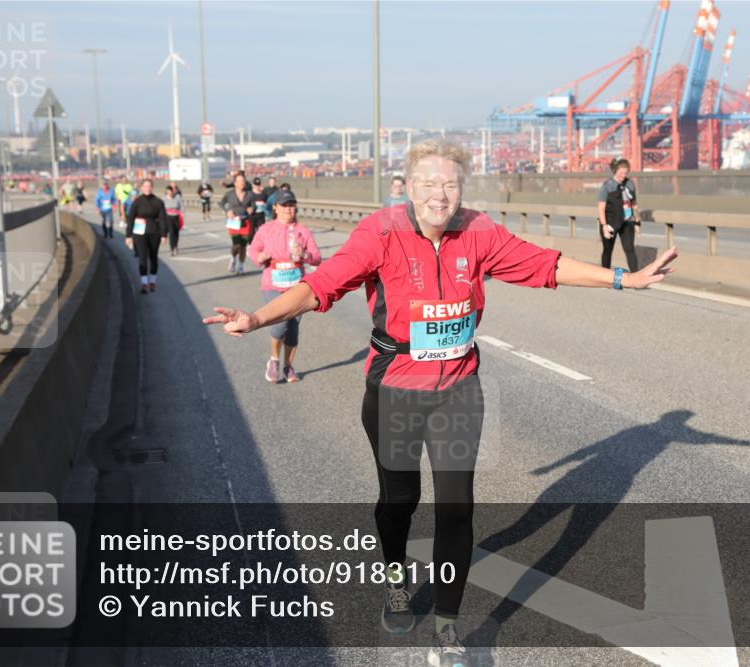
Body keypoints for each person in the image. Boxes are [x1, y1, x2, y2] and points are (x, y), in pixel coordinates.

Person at [203, 140, 678, 665]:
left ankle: (449, 627)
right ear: (408, 185)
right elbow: (320, 287)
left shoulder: (478, 230)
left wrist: (622, 277)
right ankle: (395, 577)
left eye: (450, 183)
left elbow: (543, 264)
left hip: (458, 388)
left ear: (462, 188)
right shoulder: (381, 232)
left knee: (457, 508)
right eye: (429, 183)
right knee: (399, 502)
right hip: (395, 388)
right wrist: (256, 318)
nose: (440, 194)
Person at [248, 190, 322, 383]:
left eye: (291, 205)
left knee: (293, 328)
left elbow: (317, 257)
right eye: (284, 205)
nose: (289, 209)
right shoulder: (266, 229)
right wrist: (260, 257)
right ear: (275, 207)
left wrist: (305, 255)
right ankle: (274, 360)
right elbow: (253, 251)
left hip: (298, 285)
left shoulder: (303, 230)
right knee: (280, 324)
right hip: (273, 283)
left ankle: (288, 366)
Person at [597, 157, 640, 272]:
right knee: (607, 250)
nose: (623, 176)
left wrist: (637, 223)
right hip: (610, 222)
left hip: (627, 222)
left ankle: (635, 277)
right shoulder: (607, 186)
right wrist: (604, 226)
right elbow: (601, 208)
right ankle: (604, 275)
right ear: (615, 171)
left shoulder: (630, 184)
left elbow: (634, 204)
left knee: (630, 249)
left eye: (625, 173)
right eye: (621, 173)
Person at [125, 179, 168, 294]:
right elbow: (130, 219)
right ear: (141, 187)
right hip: (139, 233)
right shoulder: (137, 202)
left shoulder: (158, 202)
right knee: (142, 258)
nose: (147, 188)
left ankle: (152, 282)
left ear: (152, 187)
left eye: (149, 186)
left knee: (153, 257)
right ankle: (144, 283)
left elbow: (163, 219)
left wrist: (164, 234)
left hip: (154, 232)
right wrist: (128, 235)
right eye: (145, 186)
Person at [220, 173, 255, 274]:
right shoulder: (229, 194)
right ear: (235, 183)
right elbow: (222, 203)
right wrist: (227, 211)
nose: (242, 183)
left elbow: (254, 206)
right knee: (236, 245)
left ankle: (241, 266)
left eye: (243, 181)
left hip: (245, 222)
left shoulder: (249, 194)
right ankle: (233, 259)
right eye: (239, 181)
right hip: (233, 223)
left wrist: (251, 209)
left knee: (243, 246)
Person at [163, 185, 184, 256]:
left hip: (176, 217)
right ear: (166, 192)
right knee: (171, 233)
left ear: (173, 191)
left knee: (176, 233)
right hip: (168, 217)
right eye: (168, 191)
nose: (169, 193)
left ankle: (176, 245)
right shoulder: (163, 199)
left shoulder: (177, 198)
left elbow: (182, 206)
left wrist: (182, 214)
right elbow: (161, 209)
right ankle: (172, 249)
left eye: (170, 191)